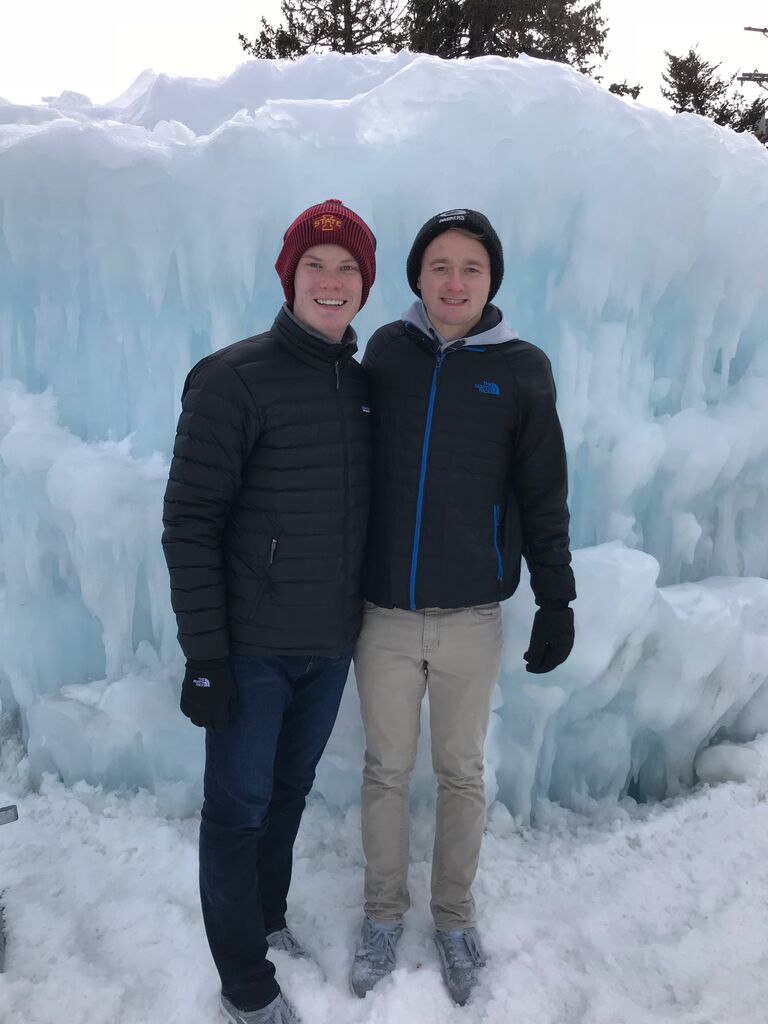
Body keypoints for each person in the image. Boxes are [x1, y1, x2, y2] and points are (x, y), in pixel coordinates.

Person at [350, 209, 576, 1006]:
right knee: (383, 770)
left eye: (471, 268)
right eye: (439, 266)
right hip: (382, 612)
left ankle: (453, 918)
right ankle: (382, 914)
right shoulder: (386, 352)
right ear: (418, 276)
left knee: (460, 772)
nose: (454, 282)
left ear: (492, 281)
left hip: (472, 615)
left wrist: (557, 597)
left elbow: (542, 491)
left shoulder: (520, 369)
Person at [162, 199, 376, 1024]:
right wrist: (206, 657)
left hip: (327, 646)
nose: (331, 282)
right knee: (237, 812)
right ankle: (245, 987)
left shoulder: (360, 386)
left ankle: (268, 917)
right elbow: (190, 522)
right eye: (315, 266)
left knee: (288, 794)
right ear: (289, 277)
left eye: (347, 268)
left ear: (363, 284)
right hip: (250, 650)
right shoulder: (232, 377)